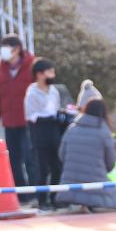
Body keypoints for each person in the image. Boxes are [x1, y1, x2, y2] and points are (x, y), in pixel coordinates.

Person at [57, 96, 116, 211]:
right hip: (96, 186)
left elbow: (61, 155)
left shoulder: (71, 129)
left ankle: (83, 205)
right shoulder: (104, 132)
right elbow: (110, 165)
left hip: (70, 187)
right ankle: (90, 204)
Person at [0, 34, 35, 198]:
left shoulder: (32, 66)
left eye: (8, 48)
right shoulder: (1, 71)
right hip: (10, 122)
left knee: (30, 158)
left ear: (17, 50)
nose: (4, 52)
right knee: (13, 160)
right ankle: (21, 194)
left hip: (29, 121)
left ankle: (35, 191)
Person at [24, 57, 67, 210]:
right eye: (49, 72)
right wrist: (46, 117)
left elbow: (55, 109)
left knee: (57, 166)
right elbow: (31, 115)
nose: (52, 75)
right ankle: (42, 200)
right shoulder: (32, 92)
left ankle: (55, 197)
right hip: (40, 133)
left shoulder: (54, 91)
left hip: (54, 131)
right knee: (42, 168)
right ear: (39, 74)